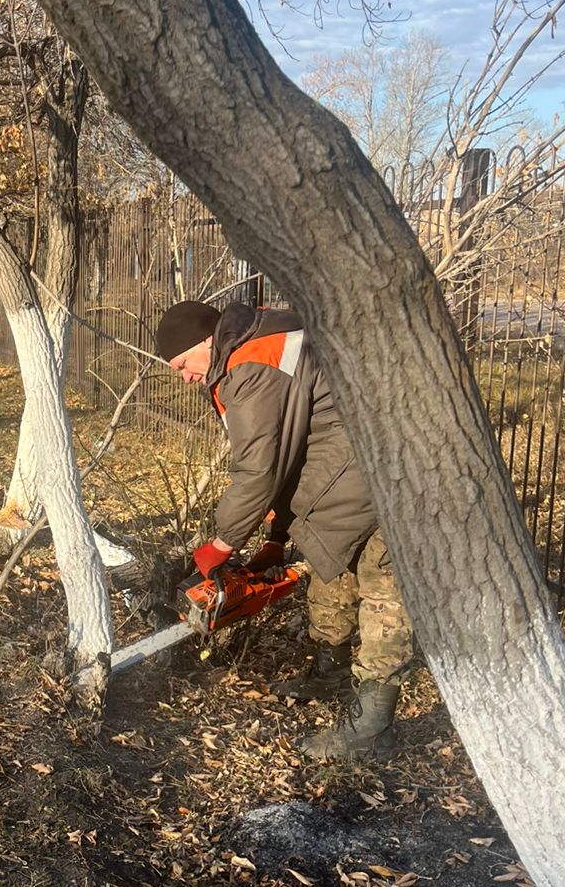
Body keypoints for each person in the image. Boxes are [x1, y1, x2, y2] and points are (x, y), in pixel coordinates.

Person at [155, 297, 412, 760]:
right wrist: (276, 535)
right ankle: (329, 673)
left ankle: (374, 731)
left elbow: (258, 470)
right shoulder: (260, 337)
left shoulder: (251, 364)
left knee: (382, 592)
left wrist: (220, 546)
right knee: (331, 571)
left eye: (182, 366)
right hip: (343, 468)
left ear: (205, 342)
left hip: (380, 473)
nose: (187, 378)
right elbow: (290, 438)